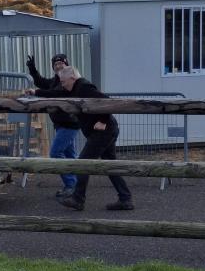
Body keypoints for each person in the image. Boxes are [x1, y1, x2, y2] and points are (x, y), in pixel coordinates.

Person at [55, 66, 134, 211]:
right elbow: (54, 93)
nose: (62, 85)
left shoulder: (84, 87)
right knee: (110, 165)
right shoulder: (74, 89)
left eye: (63, 81)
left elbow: (107, 102)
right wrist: (36, 92)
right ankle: (125, 199)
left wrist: (103, 121)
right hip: (107, 131)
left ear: (72, 78)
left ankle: (78, 199)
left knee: (83, 163)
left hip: (103, 132)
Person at [26, 52, 79, 198]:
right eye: (55, 64)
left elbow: (54, 93)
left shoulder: (68, 81)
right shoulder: (56, 80)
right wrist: (32, 69)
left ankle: (71, 184)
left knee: (55, 153)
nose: (58, 66)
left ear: (67, 65)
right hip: (62, 125)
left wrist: (36, 92)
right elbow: (41, 82)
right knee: (70, 156)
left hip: (69, 124)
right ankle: (77, 185)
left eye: (61, 63)